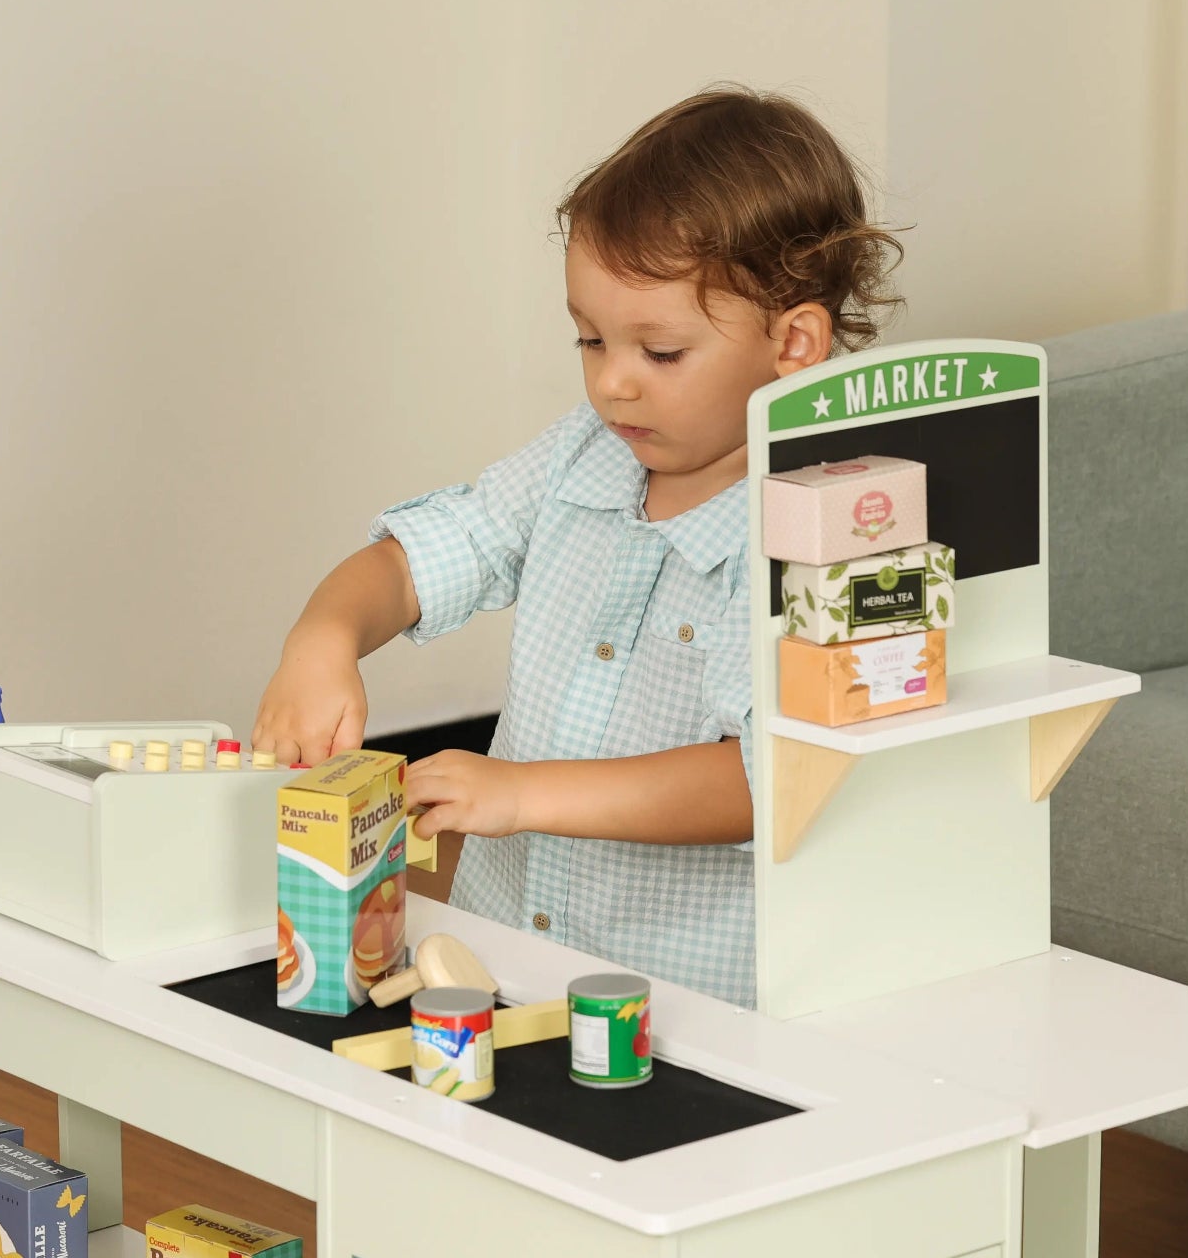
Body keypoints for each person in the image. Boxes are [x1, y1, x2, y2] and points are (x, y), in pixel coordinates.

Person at [252, 86, 901, 1005]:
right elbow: (416, 560)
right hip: (506, 957)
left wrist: (519, 796)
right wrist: (320, 642)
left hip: (689, 1003)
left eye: (660, 353)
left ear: (793, 341)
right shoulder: (578, 458)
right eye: (591, 340)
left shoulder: (830, 529)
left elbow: (778, 776)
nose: (613, 386)